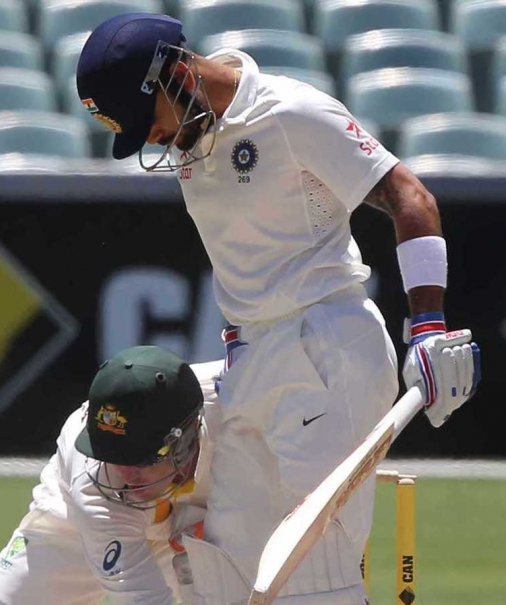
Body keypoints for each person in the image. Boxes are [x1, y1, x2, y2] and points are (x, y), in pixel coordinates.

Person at [75, 13, 481, 605]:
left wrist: (428, 324)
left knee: (316, 574)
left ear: (178, 74)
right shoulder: (194, 128)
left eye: (150, 122)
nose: (155, 140)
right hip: (251, 354)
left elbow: (409, 198)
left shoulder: (288, 112)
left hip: (326, 349)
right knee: (229, 561)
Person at [0, 345, 223, 605]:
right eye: (112, 456)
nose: (125, 475)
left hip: (208, 516)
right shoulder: (95, 489)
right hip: (72, 531)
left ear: (186, 438)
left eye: (139, 459)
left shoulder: (237, 398)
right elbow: (145, 599)